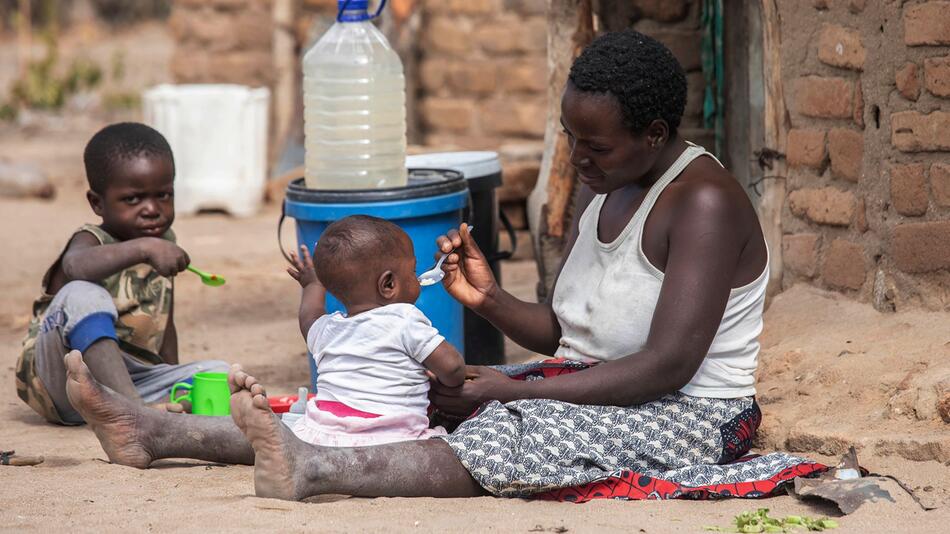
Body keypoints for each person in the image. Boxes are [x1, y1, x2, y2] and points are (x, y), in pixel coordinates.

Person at [62, 30, 818, 500]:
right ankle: (155, 435)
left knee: (503, 433)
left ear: (655, 134)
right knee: (391, 397)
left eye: (596, 146)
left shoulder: (705, 202)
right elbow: (568, 336)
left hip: (690, 417)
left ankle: (315, 472)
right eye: (570, 139)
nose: (576, 161)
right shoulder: (610, 189)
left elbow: (666, 367)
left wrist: (518, 395)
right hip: (601, 389)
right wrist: (490, 303)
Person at [15, 122, 229, 425]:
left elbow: (164, 322)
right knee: (83, 295)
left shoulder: (164, 244)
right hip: (62, 382)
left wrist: (171, 374)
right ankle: (135, 415)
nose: (152, 209)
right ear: (97, 203)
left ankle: (134, 408)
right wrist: (144, 248)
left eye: (164, 195)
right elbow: (74, 268)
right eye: (133, 199)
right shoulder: (90, 240)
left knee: (219, 374)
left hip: (124, 384)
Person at [284, 215, 465, 446]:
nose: (417, 279)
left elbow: (309, 315)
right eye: (412, 271)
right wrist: (449, 380)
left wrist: (312, 284)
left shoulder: (326, 329)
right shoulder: (404, 318)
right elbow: (453, 368)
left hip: (324, 436)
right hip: (393, 440)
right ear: (388, 284)